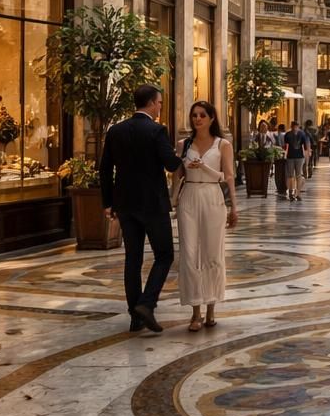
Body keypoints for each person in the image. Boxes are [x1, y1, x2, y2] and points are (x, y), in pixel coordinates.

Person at [100, 85, 182, 334]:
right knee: (164, 254)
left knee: (132, 260)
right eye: (159, 103)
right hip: (152, 204)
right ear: (150, 103)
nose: (160, 108)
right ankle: (146, 304)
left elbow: (105, 169)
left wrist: (108, 202)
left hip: (125, 204)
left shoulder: (116, 130)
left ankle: (135, 317)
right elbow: (171, 164)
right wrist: (183, 153)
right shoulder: (156, 131)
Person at [172, 101, 237, 332]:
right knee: (189, 255)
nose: (197, 119)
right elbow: (177, 175)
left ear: (211, 118)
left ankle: (211, 309)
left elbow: (227, 176)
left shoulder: (223, 145)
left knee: (212, 253)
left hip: (212, 196)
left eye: (201, 115)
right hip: (189, 196)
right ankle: (195, 312)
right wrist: (173, 198)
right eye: (194, 115)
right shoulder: (183, 144)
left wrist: (234, 208)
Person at [282, 121, 309, 201]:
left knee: (298, 175)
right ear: (292, 126)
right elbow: (286, 146)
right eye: (294, 126)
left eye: (296, 126)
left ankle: (298, 193)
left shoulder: (302, 134)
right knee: (291, 175)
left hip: (299, 157)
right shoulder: (288, 134)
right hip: (291, 157)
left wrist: (306, 154)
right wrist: (285, 154)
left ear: (298, 126)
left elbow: (305, 146)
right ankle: (291, 192)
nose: (295, 128)